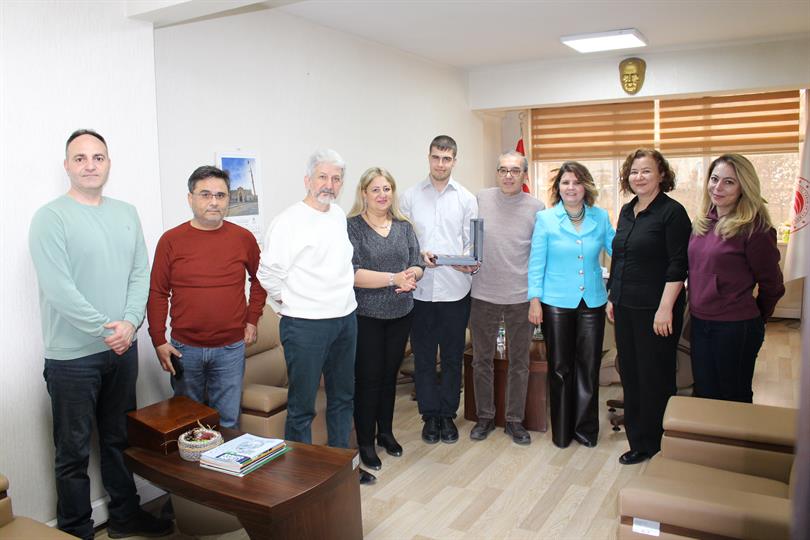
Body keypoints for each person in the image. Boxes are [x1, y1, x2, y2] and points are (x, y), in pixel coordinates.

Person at [29, 129, 172, 539]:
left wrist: (130, 323)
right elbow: (59, 288)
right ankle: (76, 530)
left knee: (120, 441)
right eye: (80, 158)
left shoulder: (126, 212)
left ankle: (125, 519)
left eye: (98, 157)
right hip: (72, 358)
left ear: (108, 163)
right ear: (67, 166)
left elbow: (139, 273)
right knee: (72, 453)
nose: (90, 165)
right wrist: (105, 329)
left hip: (122, 349)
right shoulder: (50, 217)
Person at [258, 149, 375, 484]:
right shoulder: (288, 221)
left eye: (336, 178)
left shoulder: (337, 215)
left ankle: (341, 471)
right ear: (308, 180)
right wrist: (294, 303)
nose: (329, 184)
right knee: (302, 406)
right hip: (305, 325)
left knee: (342, 399)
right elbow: (268, 274)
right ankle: (302, 478)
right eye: (323, 177)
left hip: (345, 319)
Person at [146, 165, 267, 428]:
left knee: (228, 423)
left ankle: (224, 458)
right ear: (190, 198)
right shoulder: (171, 240)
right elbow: (157, 292)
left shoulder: (243, 238)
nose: (214, 202)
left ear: (228, 199)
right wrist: (158, 339)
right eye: (205, 194)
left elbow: (260, 280)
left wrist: (252, 319)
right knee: (188, 424)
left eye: (220, 195)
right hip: (184, 350)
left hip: (230, 349)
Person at [607, 148, 691, 465]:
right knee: (631, 375)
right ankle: (639, 440)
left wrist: (665, 308)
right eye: (634, 171)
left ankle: (658, 444)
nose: (639, 177)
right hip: (625, 306)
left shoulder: (672, 212)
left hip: (657, 311)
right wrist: (613, 297)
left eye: (646, 171)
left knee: (654, 377)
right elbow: (620, 258)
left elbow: (678, 265)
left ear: (661, 175)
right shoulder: (627, 210)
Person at [528, 162, 615, 448]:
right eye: (565, 182)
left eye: (577, 182)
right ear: (558, 188)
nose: (571, 188)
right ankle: (562, 432)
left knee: (588, 367)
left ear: (586, 187)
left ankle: (585, 430)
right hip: (556, 302)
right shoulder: (545, 219)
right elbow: (536, 263)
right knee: (560, 368)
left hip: (592, 301)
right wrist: (534, 300)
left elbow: (620, 251)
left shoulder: (600, 217)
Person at [400, 135, 478, 444]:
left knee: (451, 357)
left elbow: (472, 243)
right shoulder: (409, 197)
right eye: (436, 157)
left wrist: (468, 262)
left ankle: (447, 415)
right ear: (429, 158)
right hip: (419, 291)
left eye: (446, 159)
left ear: (454, 161)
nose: (441, 164)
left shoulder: (466, 199)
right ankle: (429, 416)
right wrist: (418, 256)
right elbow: (403, 240)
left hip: (455, 290)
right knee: (423, 358)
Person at [688, 154, 784, 403]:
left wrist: (757, 317)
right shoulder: (701, 222)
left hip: (735, 327)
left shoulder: (755, 228)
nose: (717, 187)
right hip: (700, 322)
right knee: (705, 393)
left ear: (744, 187)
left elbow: (772, 285)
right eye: (714, 179)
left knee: (734, 397)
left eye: (729, 182)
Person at [347, 167, 424, 470]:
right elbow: (352, 273)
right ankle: (366, 441)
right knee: (368, 379)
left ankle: (386, 433)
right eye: (376, 189)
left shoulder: (404, 226)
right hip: (366, 316)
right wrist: (394, 278)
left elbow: (417, 263)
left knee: (389, 377)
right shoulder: (352, 226)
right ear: (364, 193)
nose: (382, 195)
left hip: (401, 313)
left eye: (387, 189)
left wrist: (411, 275)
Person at [469, 151, 544, 445]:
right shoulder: (480, 199)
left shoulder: (536, 208)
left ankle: (514, 420)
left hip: (520, 296)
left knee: (519, 363)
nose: (508, 176)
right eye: (503, 170)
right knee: (481, 360)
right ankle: (485, 417)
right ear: (497, 173)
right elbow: (467, 238)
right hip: (483, 293)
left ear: (524, 175)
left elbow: (538, 256)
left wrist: (536, 297)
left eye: (514, 170)